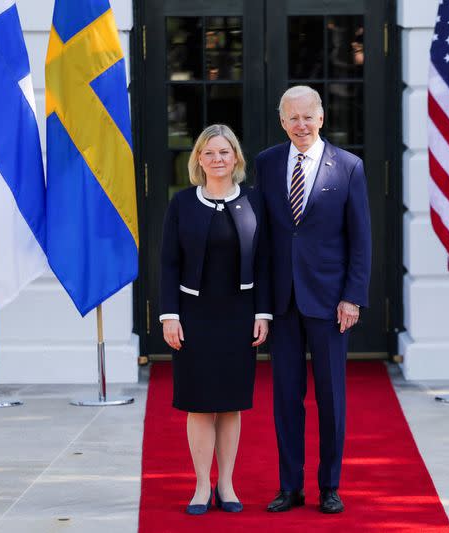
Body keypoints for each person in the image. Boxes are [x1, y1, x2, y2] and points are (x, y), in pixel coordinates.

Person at [255, 86, 371, 514]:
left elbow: (360, 240)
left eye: (308, 117)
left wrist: (353, 297)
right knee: (285, 397)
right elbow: (263, 239)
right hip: (283, 302)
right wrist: (261, 306)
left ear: (321, 117)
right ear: (282, 120)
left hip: (330, 302)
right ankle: (289, 487)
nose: (301, 125)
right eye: (292, 118)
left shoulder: (349, 167)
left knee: (331, 398)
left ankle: (329, 486)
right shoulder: (267, 164)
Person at [159, 124, 272, 515]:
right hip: (194, 315)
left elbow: (265, 262)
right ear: (198, 160)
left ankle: (226, 484)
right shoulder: (183, 203)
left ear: (236, 158)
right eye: (209, 153)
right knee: (199, 403)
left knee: (230, 403)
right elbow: (169, 263)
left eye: (224, 152)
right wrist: (169, 315)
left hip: (239, 315)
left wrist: (263, 313)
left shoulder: (256, 202)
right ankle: (201, 486)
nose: (217, 159)